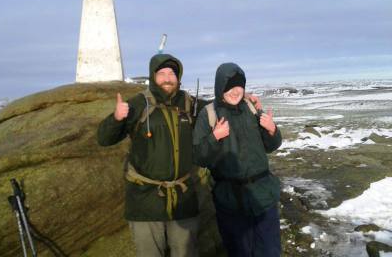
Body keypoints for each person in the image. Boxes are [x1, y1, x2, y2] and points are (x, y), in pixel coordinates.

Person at [97, 53, 201, 257]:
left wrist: (244, 98)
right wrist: (117, 118)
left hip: (183, 200)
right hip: (145, 201)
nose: (167, 78)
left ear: (178, 77)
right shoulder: (138, 104)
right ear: (153, 77)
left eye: (171, 73)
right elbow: (104, 138)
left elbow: (221, 108)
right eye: (161, 73)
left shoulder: (190, 104)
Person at [193, 62, 282, 257]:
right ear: (220, 88)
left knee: (270, 250)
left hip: (263, 195)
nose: (235, 91)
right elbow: (199, 156)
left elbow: (271, 145)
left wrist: (272, 130)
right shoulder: (208, 114)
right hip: (230, 200)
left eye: (239, 86)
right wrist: (214, 137)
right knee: (240, 251)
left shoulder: (251, 108)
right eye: (229, 87)